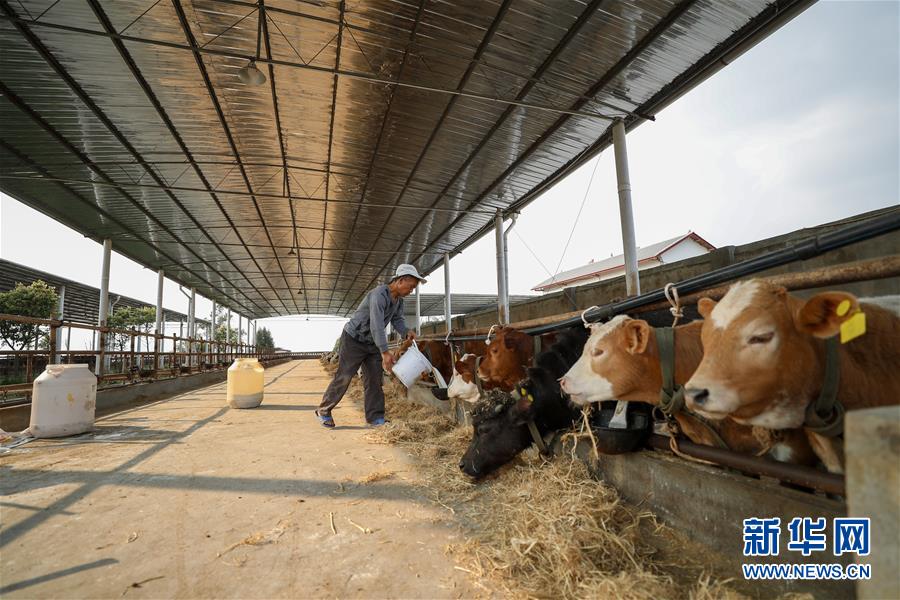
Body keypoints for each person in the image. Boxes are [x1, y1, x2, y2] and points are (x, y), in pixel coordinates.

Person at [316, 264, 426, 428]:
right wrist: (385, 352)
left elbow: (397, 320)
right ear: (401, 280)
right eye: (411, 287)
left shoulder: (398, 301)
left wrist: (406, 331)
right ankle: (324, 410)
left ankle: (375, 417)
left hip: (372, 342)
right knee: (345, 375)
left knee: (374, 380)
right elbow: (376, 325)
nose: (411, 291)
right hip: (354, 339)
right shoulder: (379, 295)